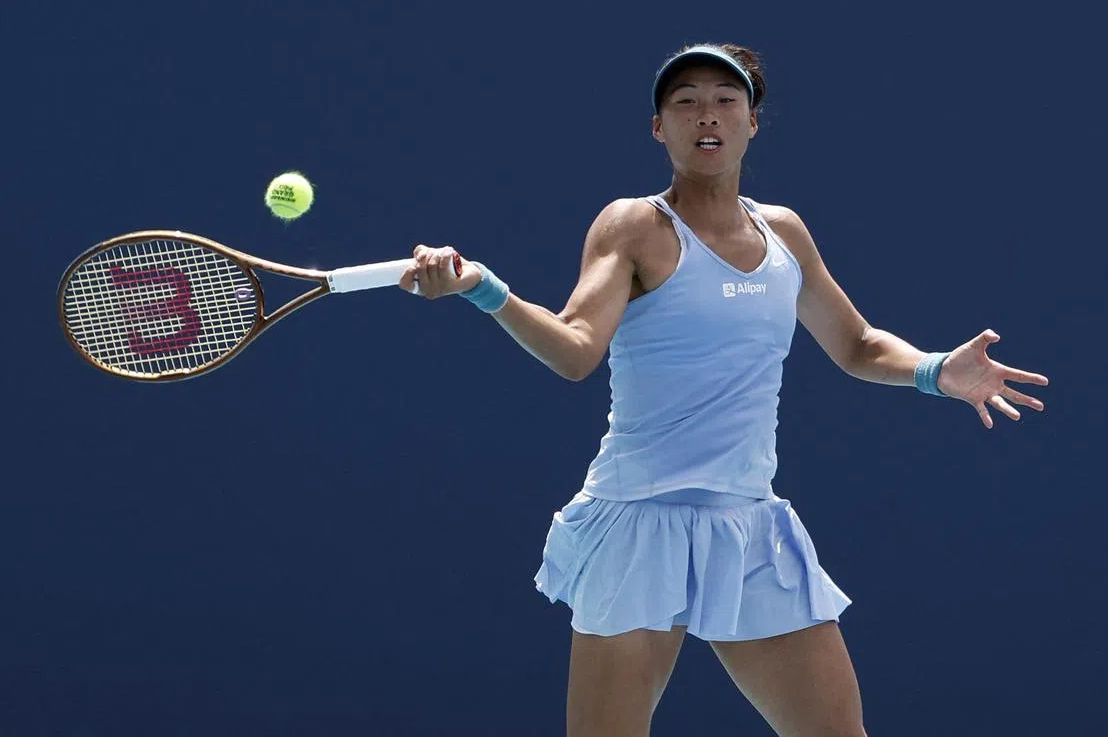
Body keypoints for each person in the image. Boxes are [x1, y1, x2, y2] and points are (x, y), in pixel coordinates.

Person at [398, 43, 1049, 737]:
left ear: (751, 123)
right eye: (685, 102)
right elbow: (576, 350)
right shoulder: (633, 226)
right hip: (637, 524)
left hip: (748, 527)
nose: (705, 114)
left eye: (724, 99)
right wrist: (485, 291)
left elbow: (856, 344)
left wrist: (934, 370)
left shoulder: (786, 234)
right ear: (659, 128)